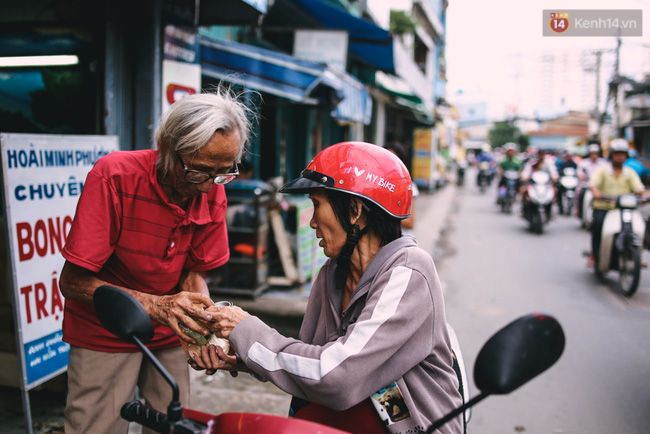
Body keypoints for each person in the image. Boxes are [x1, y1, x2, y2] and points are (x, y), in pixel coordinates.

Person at [190, 142, 463, 434]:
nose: (312, 222)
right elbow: (312, 358)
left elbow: (336, 377)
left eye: (317, 205)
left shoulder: (408, 273)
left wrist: (246, 329)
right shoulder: (331, 274)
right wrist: (242, 357)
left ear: (355, 211)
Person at [58, 89, 252, 433]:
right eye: (200, 171)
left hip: (169, 329)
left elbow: (192, 275)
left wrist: (204, 330)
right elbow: (72, 283)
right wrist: (157, 306)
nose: (209, 186)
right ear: (167, 148)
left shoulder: (213, 189)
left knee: (176, 425)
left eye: (223, 172)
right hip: (105, 328)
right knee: (96, 427)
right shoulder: (115, 176)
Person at [587, 139, 646, 267]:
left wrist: (645, 195)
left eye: (622, 154)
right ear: (612, 155)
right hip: (604, 207)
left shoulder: (629, 172)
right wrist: (596, 192)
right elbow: (593, 183)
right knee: (598, 225)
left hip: (625, 209)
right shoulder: (603, 170)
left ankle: (637, 255)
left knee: (639, 227)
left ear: (626, 156)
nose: (620, 157)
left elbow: (639, 189)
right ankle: (594, 253)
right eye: (617, 154)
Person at [385, 140, 419, 235]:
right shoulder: (376, 184)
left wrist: (381, 213)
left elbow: (410, 223)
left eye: (393, 160)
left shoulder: (409, 187)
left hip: (401, 241)